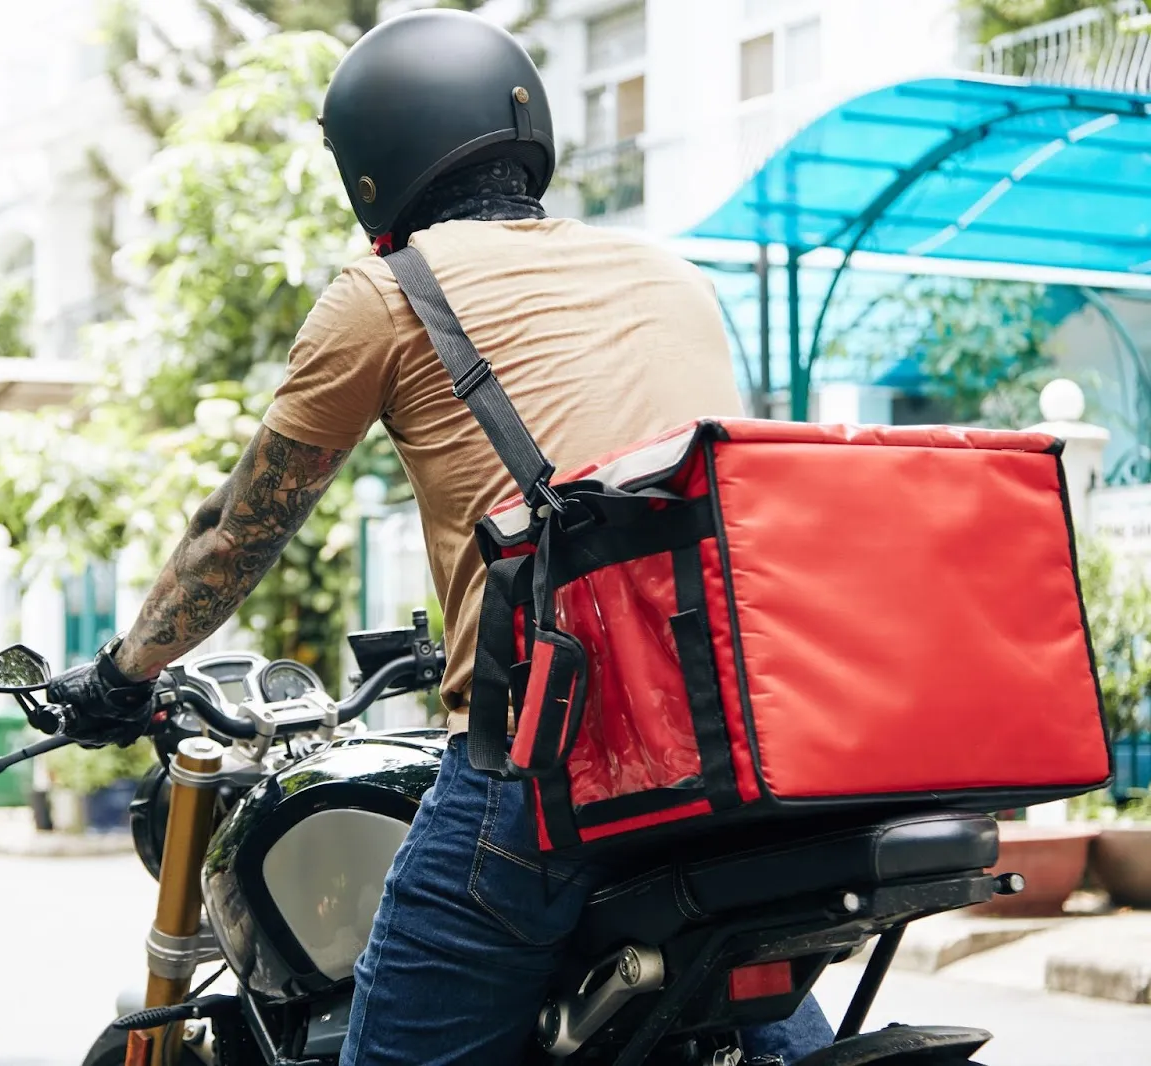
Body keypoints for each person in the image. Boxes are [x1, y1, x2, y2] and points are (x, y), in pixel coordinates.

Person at [47, 9, 837, 1065]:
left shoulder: (384, 296)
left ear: (371, 166)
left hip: (546, 763)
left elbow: (236, 530)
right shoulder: (667, 275)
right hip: (729, 744)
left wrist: (122, 671)